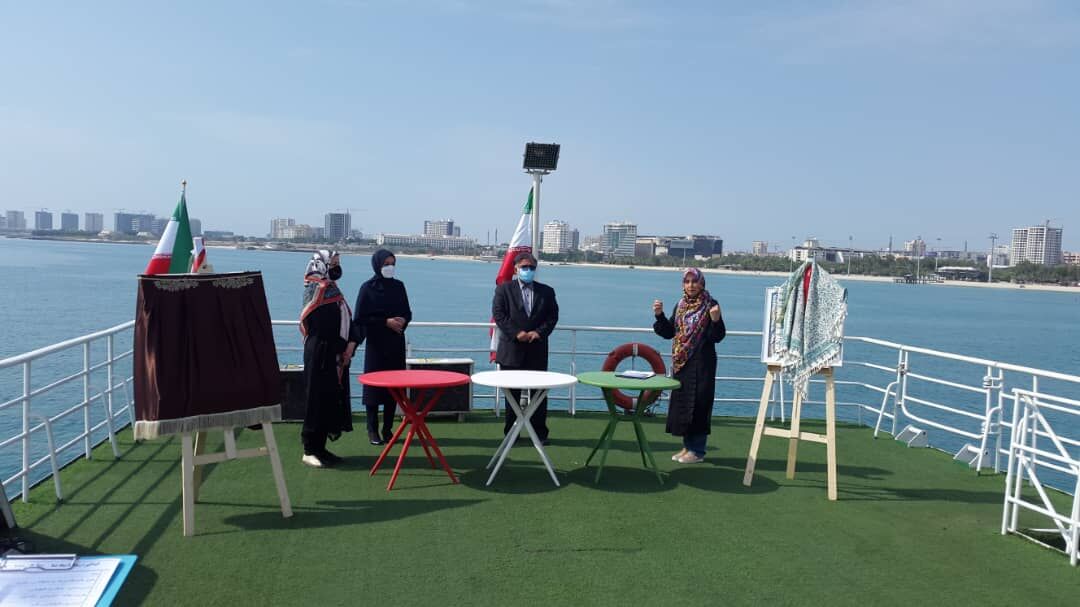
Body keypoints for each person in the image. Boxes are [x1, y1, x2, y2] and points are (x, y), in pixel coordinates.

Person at [652, 268, 726, 464]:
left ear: (702, 283)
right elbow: (670, 332)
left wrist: (716, 320)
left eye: (694, 281)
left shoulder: (711, 304)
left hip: (702, 363)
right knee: (684, 405)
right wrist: (659, 315)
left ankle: (697, 450)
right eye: (687, 281)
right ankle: (687, 447)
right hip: (682, 363)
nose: (691, 285)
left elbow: (717, 336)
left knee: (699, 405)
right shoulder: (681, 305)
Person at [300, 250, 361, 468]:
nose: (336, 267)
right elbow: (321, 326)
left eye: (338, 263)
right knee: (315, 400)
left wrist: (350, 345)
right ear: (321, 265)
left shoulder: (331, 288)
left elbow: (344, 320)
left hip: (333, 351)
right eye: (333, 263)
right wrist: (344, 347)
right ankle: (309, 449)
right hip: (320, 352)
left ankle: (321, 448)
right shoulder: (316, 289)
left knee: (328, 399)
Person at [492, 252, 559, 444]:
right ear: (516, 269)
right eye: (524, 267)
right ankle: (511, 434)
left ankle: (540, 434)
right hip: (511, 350)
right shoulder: (503, 290)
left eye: (531, 267)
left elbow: (552, 317)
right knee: (511, 396)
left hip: (537, 350)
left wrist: (538, 332)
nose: (528, 270)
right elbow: (499, 314)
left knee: (538, 395)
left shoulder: (547, 291)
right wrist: (517, 333)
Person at [354, 249, 412, 445]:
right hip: (376, 345)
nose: (390, 267)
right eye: (386, 264)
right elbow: (360, 318)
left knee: (393, 388)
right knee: (373, 388)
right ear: (377, 265)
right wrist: (385, 322)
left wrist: (402, 321)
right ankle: (372, 429)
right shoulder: (367, 288)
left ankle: (388, 429)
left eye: (392, 264)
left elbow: (408, 312)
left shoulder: (399, 286)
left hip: (396, 343)